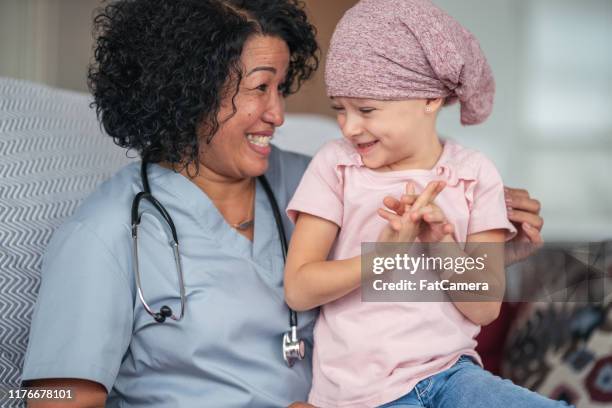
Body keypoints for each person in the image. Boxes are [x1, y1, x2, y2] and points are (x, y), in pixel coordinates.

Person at [21, 0, 543, 407]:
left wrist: (491, 250)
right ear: (187, 91)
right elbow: (44, 397)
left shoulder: (321, 180)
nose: (278, 114)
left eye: (282, 89)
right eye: (259, 89)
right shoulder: (103, 236)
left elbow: (404, 290)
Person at [283, 0, 563, 407]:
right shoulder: (337, 165)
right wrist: (381, 258)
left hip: (451, 376)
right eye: (339, 109)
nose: (348, 126)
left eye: (366, 109)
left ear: (430, 99)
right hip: (361, 395)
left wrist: (442, 245)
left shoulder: (473, 174)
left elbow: (484, 307)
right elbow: (299, 287)